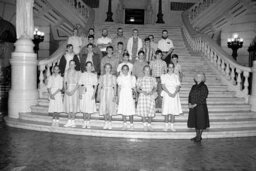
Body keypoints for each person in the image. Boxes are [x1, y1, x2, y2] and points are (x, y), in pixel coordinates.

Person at [187, 72, 209, 143]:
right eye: (197, 76)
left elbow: (203, 97)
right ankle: (197, 136)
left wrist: (195, 104)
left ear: (202, 78)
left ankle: (199, 137)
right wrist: (189, 103)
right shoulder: (193, 86)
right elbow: (190, 95)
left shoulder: (204, 86)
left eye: (200, 76)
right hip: (193, 106)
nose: (198, 78)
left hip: (201, 107)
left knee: (201, 122)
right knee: (196, 121)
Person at [161, 62, 182, 131]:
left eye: (172, 67)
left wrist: (174, 93)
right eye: (169, 67)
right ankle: (166, 125)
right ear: (167, 68)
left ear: (173, 68)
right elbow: (163, 86)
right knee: (166, 109)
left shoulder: (176, 76)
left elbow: (178, 86)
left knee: (173, 110)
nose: (170, 68)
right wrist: (169, 93)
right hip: (167, 94)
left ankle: (172, 125)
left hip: (174, 94)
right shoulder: (164, 76)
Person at [136, 65, 157, 131]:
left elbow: (155, 87)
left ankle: (149, 125)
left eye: (148, 70)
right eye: (146, 70)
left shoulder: (153, 79)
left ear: (150, 71)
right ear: (143, 71)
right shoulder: (140, 78)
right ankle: (144, 124)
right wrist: (142, 91)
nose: (147, 71)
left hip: (150, 96)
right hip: (143, 96)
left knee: (150, 110)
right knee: (143, 110)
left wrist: (152, 92)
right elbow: (137, 89)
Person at [79, 61, 98, 129]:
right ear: (86, 67)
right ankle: (84, 121)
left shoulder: (94, 75)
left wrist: (94, 94)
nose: (89, 67)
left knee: (89, 106)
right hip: (84, 90)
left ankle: (88, 122)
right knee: (84, 106)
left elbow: (95, 85)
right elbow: (80, 84)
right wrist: (80, 93)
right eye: (88, 66)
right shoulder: (82, 74)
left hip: (90, 91)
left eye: (90, 66)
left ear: (92, 67)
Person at [117, 65, 136, 130]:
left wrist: (136, 96)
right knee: (123, 108)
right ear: (121, 70)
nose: (125, 71)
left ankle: (131, 124)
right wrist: (118, 97)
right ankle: (124, 124)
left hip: (129, 94)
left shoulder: (132, 77)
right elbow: (119, 88)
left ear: (128, 70)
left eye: (126, 69)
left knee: (130, 109)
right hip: (122, 94)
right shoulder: (119, 77)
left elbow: (134, 87)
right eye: (124, 69)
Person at [99, 63, 117, 129]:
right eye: (106, 67)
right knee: (104, 106)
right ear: (104, 68)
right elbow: (100, 86)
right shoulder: (102, 77)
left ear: (111, 69)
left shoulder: (113, 77)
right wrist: (98, 94)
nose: (107, 69)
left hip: (110, 92)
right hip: (103, 92)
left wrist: (115, 95)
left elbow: (115, 87)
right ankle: (105, 122)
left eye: (109, 68)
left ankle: (109, 122)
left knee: (110, 107)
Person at [64, 60, 80, 127]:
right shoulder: (66, 72)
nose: (72, 65)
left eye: (73, 64)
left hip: (75, 90)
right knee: (68, 104)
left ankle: (73, 121)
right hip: (68, 89)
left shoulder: (78, 73)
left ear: (75, 65)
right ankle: (69, 121)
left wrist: (73, 91)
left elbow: (78, 83)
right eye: (70, 64)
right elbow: (64, 82)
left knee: (74, 104)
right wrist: (65, 90)